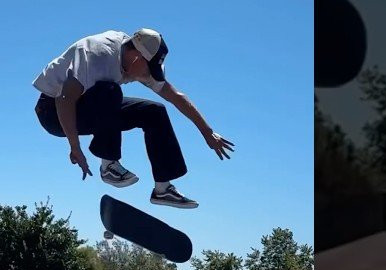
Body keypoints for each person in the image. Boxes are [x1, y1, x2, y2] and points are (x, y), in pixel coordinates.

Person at [32, 28, 234, 210]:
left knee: (154, 111)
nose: (147, 77)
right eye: (147, 71)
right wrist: (75, 147)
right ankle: (109, 165)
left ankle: (163, 188)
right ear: (137, 58)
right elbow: (64, 99)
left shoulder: (138, 58)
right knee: (110, 91)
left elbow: (176, 97)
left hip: (91, 106)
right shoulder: (96, 54)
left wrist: (207, 132)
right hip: (52, 112)